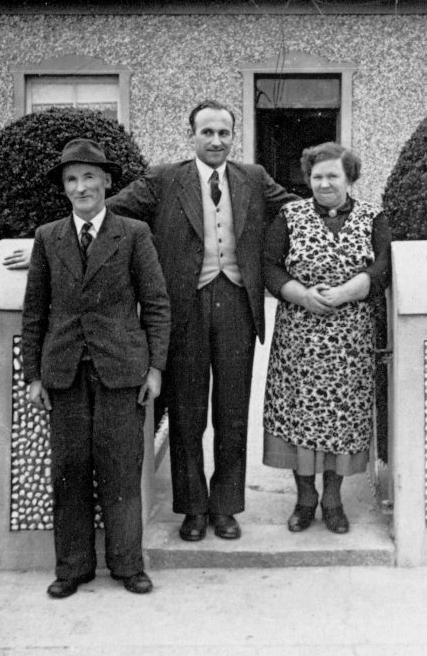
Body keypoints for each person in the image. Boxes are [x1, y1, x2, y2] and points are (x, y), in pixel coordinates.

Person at [105, 100, 295, 543]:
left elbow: (297, 213)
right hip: (183, 308)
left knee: (232, 412)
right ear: (191, 135)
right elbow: (108, 211)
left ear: (233, 136)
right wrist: (44, 239)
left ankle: (226, 506)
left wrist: (356, 223)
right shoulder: (164, 179)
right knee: (188, 414)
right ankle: (192, 507)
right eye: (207, 132)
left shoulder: (253, 177)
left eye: (223, 133)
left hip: (236, 303)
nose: (216, 141)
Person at [21, 138, 171, 599]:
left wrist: (155, 369)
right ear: (63, 189)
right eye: (71, 179)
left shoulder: (133, 233)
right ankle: (72, 567)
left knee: (122, 469)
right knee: (69, 469)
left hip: (123, 370)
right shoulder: (48, 237)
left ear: (107, 182)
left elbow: (158, 304)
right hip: (64, 371)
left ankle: (128, 564)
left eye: (89, 177)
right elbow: (34, 313)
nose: (81, 187)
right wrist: (33, 376)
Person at [261, 142, 391, 534]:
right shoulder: (290, 215)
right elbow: (269, 264)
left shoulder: (373, 217)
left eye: (333, 175)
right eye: (317, 177)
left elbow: (384, 264)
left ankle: (333, 499)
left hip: (350, 341)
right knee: (299, 417)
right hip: (299, 340)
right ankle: (305, 499)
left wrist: (348, 291)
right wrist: (301, 294)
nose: (324, 183)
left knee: (342, 417)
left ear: (349, 178)